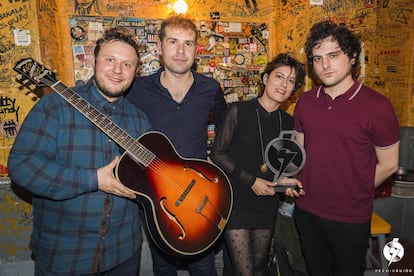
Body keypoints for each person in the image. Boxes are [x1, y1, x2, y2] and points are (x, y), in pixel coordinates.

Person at [8, 27, 151, 275]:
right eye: (110, 60)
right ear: (93, 61)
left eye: (127, 64)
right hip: (65, 254)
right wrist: (93, 179)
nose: (118, 70)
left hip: (124, 252)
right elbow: (22, 166)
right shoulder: (54, 106)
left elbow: (151, 176)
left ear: (135, 72)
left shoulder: (140, 120)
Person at [293, 20, 400, 276]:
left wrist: (354, 191)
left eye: (333, 55)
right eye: (317, 58)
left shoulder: (378, 106)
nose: (324, 65)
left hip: (350, 217)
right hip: (307, 211)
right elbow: (300, 151)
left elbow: (389, 164)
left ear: (353, 57)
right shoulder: (306, 102)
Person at [125, 15, 227, 276]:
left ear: (196, 49)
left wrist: (217, 160)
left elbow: (229, 129)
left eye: (188, 44)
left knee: (204, 266)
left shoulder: (211, 88)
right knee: (163, 265)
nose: (181, 51)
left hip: (199, 192)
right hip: (159, 198)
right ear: (159, 47)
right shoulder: (137, 89)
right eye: (173, 42)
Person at [210, 53, 306, 276]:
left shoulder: (289, 123)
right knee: (244, 271)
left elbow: (279, 167)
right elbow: (218, 154)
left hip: (266, 202)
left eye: (290, 81)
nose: (284, 84)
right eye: (279, 76)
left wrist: (285, 183)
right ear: (265, 78)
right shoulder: (238, 111)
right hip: (236, 199)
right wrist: (252, 180)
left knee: (260, 265)